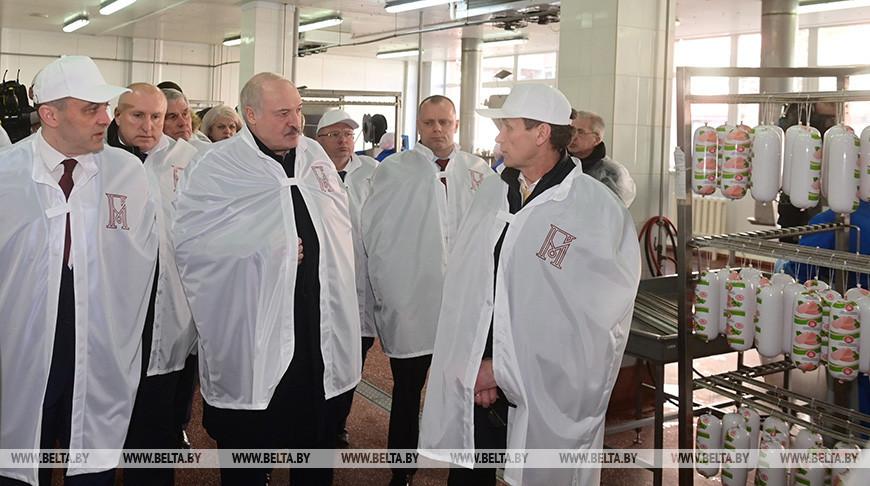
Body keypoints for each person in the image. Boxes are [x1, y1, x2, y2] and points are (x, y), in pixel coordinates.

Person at [418, 84, 641, 486]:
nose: (499, 139)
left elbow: (593, 319)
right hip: (478, 371)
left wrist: (503, 369)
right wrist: (474, 360)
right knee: (470, 475)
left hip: (541, 382)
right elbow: (469, 283)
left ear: (541, 134)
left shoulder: (595, 210)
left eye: (508, 128)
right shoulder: (493, 191)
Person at [172, 72, 361, 486]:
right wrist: (267, 248)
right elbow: (191, 246)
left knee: (315, 447)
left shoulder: (314, 157)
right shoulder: (217, 166)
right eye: (283, 113)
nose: (296, 122)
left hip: (317, 333)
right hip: (254, 332)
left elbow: (340, 232)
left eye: (298, 110)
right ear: (251, 115)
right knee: (249, 450)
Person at [0, 56, 158, 486]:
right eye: (91, 109)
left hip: (101, 346)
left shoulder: (126, 173)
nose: (106, 118)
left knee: (92, 467)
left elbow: (143, 260)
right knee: (19, 459)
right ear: (50, 115)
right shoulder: (7, 174)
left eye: (105, 107)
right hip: (22, 348)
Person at [361, 94, 494, 486]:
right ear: (418, 125)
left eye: (444, 122)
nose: (437, 130)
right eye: (429, 122)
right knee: (407, 390)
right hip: (413, 301)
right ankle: (401, 470)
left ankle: (462, 472)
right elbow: (376, 234)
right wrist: (390, 294)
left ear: (456, 124)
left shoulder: (478, 170)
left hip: (465, 303)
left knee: (465, 391)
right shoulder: (395, 170)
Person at [106, 83, 199, 486]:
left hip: (167, 310)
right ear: (117, 116)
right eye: (137, 116)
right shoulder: (99, 161)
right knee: (106, 415)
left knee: (157, 419)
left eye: (157, 117)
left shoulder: (187, 161)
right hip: (112, 312)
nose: (149, 126)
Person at [314, 109, 378, 447]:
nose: (343, 141)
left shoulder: (372, 171)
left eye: (349, 134)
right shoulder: (307, 171)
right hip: (324, 284)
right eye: (335, 134)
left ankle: (338, 421)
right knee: (321, 357)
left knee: (356, 357)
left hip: (363, 283)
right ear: (319, 139)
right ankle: (316, 422)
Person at [568, 109, 637, 207]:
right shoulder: (558, 164)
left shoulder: (611, 173)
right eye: (571, 130)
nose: (573, 136)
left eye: (580, 132)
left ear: (596, 139)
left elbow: (614, 210)